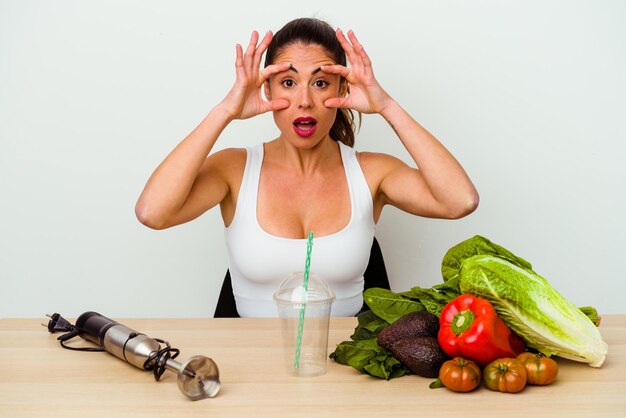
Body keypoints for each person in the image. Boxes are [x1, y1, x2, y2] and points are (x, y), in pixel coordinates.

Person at [135, 18, 479, 317]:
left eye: (320, 82)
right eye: (287, 82)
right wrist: (225, 110)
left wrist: (386, 105)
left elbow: (459, 200)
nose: (304, 101)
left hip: (345, 373)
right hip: (247, 369)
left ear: (343, 87)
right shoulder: (234, 169)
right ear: (265, 87)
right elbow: (153, 212)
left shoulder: (373, 172)